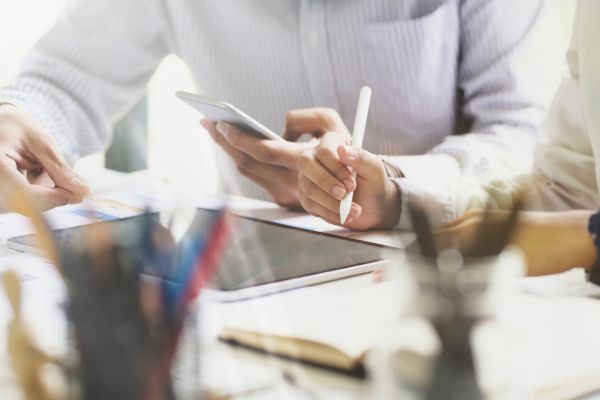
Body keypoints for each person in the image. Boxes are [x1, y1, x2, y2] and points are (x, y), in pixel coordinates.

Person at [0, 0, 560, 220]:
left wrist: (395, 187)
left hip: (449, 283)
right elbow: (63, 81)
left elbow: (528, 139)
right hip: (264, 293)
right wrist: (12, 122)